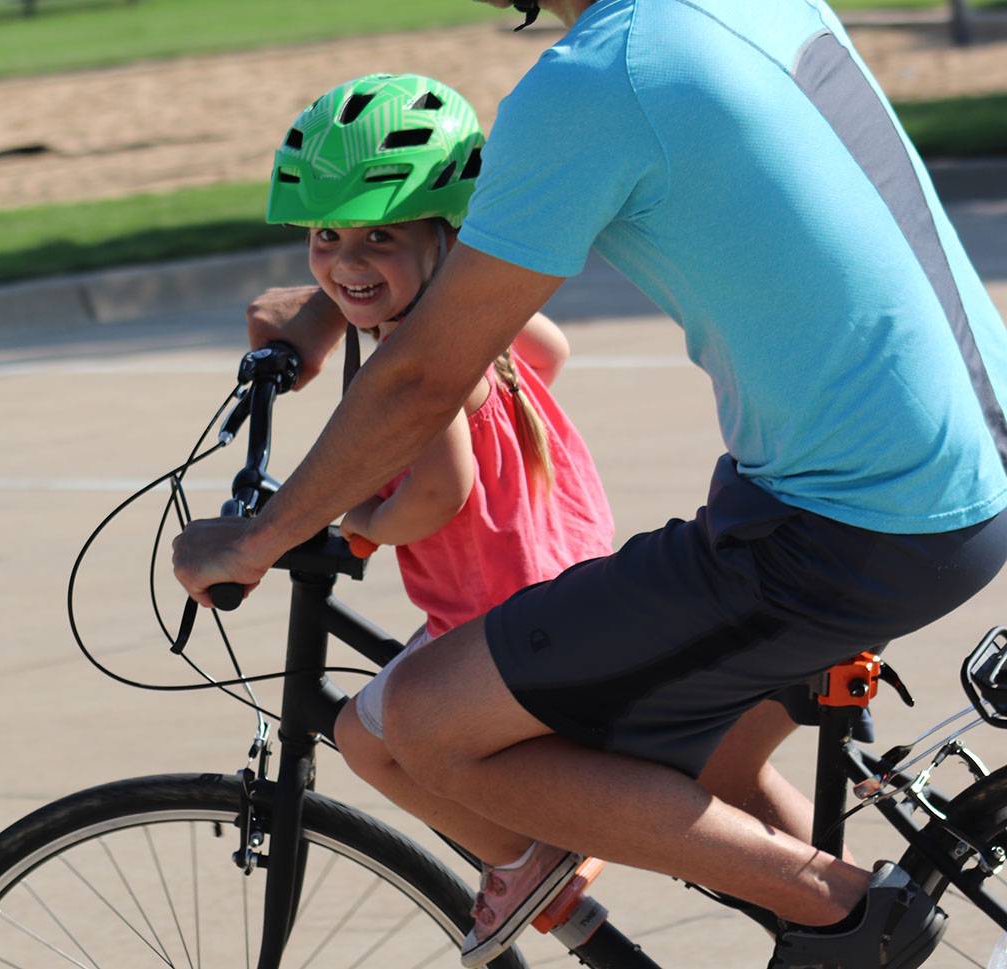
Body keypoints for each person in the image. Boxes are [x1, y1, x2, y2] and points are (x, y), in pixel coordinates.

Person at [175, 2, 1007, 966]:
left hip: (852, 520)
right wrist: (333, 304)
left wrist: (255, 536)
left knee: (426, 724)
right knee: (707, 761)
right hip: (961, 458)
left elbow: (422, 377)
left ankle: (850, 911)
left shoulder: (598, 78)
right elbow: (491, 258)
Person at [266, 72, 617, 963]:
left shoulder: (417, 363)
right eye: (327, 236)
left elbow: (440, 490)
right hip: (567, 576)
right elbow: (553, 348)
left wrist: (361, 516)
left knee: (361, 736)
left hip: (495, 612)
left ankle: (525, 851)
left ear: (443, 234)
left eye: (381, 236)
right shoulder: (474, 325)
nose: (347, 262)